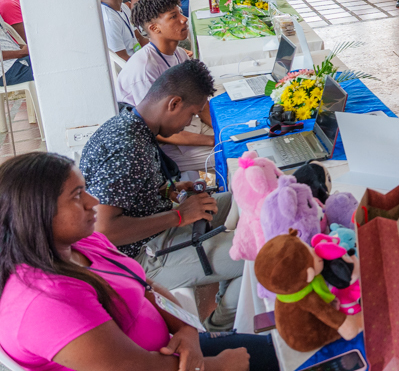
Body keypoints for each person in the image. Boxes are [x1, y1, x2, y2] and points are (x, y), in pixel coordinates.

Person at [0, 152, 275, 371]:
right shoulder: (43, 304)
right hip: (158, 364)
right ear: (36, 214)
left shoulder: (82, 243)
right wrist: (217, 367)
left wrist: (187, 329)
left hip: (173, 350)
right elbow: (133, 367)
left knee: (276, 352)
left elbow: (146, 286)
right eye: (77, 196)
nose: (93, 201)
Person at [80, 61, 243, 332]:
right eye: (191, 114)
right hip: (137, 256)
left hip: (153, 227)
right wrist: (179, 215)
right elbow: (104, 229)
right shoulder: (129, 148)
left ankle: (225, 285)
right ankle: (217, 332)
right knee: (257, 254)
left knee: (241, 200)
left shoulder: (129, 123)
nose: (190, 122)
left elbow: (128, 193)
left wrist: (171, 189)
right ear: (174, 103)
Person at [116, 0, 214, 168]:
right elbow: (156, 130)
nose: (183, 19)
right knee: (236, 154)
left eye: (180, 13)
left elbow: (201, 102)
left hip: (189, 126)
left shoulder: (180, 53)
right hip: (166, 144)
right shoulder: (144, 70)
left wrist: (220, 129)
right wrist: (212, 140)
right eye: (173, 16)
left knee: (240, 136)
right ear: (155, 28)